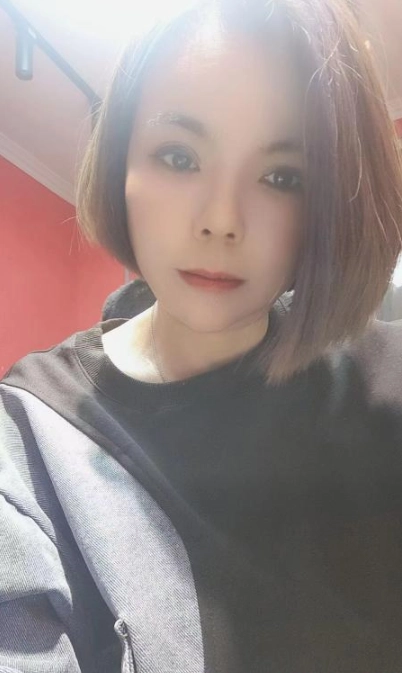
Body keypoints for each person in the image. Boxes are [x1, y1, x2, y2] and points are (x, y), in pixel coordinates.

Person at [1, 0, 402, 670]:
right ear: (121, 164)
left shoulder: (385, 391)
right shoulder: (31, 435)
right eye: (178, 156)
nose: (221, 219)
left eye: (282, 177)